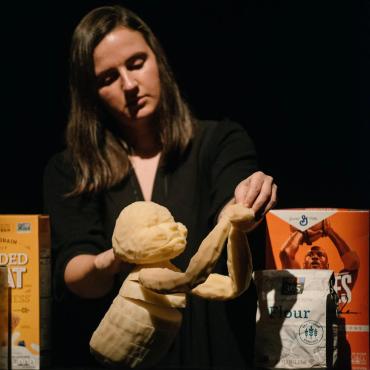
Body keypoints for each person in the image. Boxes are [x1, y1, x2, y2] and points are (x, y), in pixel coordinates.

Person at [43, 5, 277, 369]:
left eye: (137, 63)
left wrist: (245, 202)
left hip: (211, 354)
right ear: (91, 93)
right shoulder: (71, 168)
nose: (129, 85)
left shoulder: (219, 141)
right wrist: (118, 254)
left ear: (159, 61)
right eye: (107, 78)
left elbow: (231, 202)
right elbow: (75, 273)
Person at [279, 219, 360, 309]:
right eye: (310, 255)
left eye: (320, 255)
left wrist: (330, 231)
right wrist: (301, 233)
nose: (315, 257)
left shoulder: (335, 288)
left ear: (327, 266)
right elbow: (285, 254)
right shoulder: (299, 285)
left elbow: (353, 262)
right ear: (303, 266)